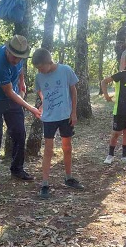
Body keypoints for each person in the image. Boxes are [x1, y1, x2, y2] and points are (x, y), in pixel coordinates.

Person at [0, 35, 42, 195]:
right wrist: (32, 108)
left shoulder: (18, 55)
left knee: (20, 131)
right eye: (14, 57)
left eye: (20, 57)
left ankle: (17, 169)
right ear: (7, 50)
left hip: (12, 94)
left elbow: (19, 68)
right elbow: (8, 92)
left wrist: (21, 82)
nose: (16, 60)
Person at [32, 48, 83, 199]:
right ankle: (45, 183)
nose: (40, 70)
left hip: (65, 116)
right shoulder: (39, 77)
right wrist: (44, 102)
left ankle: (68, 177)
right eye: (38, 68)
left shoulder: (65, 70)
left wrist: (73, 112)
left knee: (67, 147)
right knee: (48, 150)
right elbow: (40, 92)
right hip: (48, 118)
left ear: (49, 62)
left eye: (41, 67)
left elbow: (73, 91)